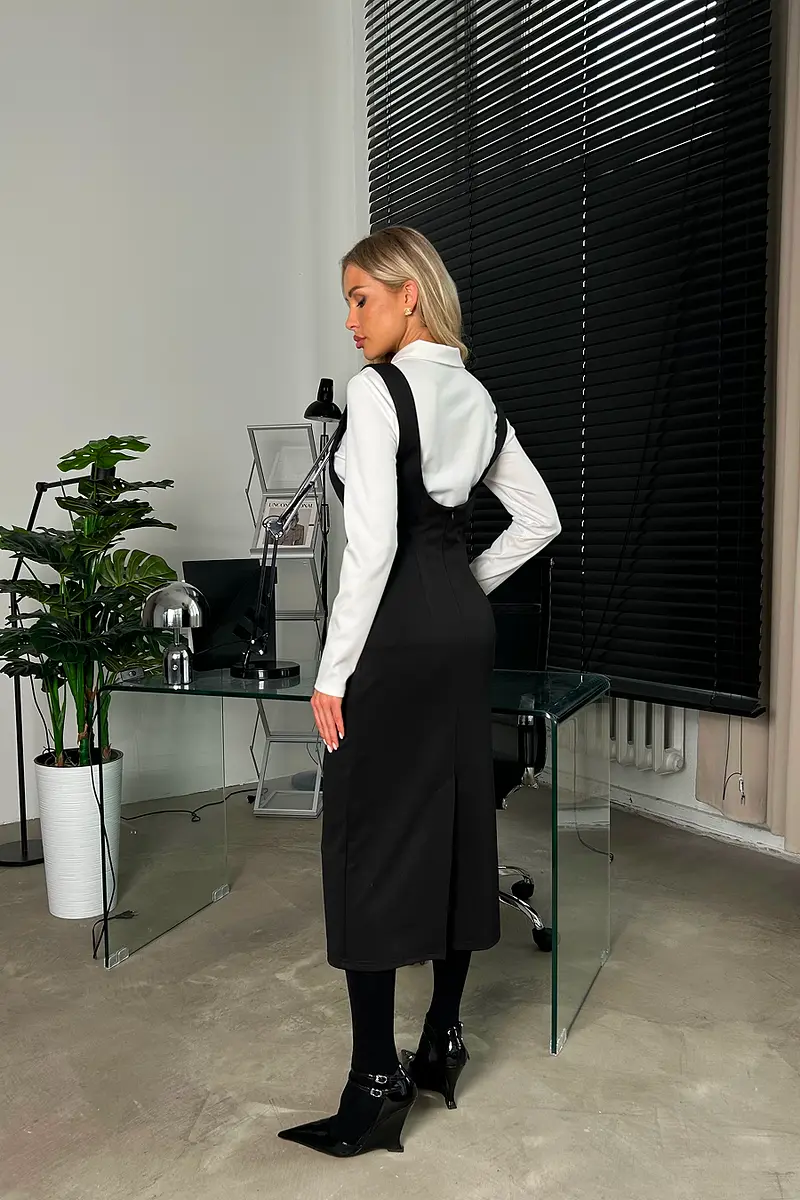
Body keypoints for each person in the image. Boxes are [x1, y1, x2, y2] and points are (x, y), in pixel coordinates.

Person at [278, 227, 561, 1158]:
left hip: (393, 633)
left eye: (362, 297)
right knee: (456, 822)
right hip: (461, 631)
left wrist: (331, 672)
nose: (351, 320)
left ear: (410, 294)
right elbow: (541, 519)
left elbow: (370, 548)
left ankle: (374, 1081)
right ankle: (442, 1039)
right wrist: (463, 586)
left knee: (362, 835)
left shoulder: (377, 391)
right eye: (347, 302)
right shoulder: (477, 397)